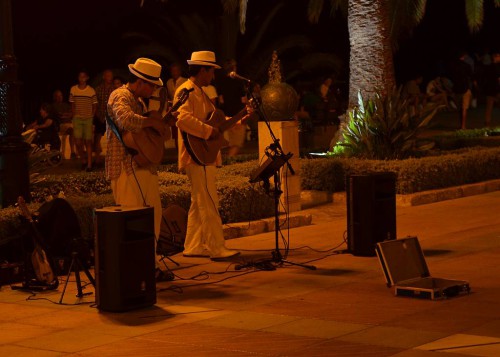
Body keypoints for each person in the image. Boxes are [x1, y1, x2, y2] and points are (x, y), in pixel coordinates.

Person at [175, 51, 252, 260]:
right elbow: (182, 119)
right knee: (208, 201)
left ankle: (192, 245)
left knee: (198, 202)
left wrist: (239, 118)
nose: (213, 76)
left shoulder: (201, 93)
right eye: (211, 71)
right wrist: (208, 132)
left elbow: (216, 122)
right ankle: (217, 247)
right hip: (195, 156)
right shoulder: (186, 91)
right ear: (202, 70)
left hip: (203, 156)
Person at [105, 57, 175, 281]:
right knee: (133, 221)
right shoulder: (120, 95)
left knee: (152, 216)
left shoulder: (140, 102)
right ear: (141, 82)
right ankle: (134, 271)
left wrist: (164, 126)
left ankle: (148, 266)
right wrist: (152, 123)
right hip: (124, 167)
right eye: (152, 85)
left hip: (143, 166)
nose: (154, 89)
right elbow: (126, 120)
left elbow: (148, 132)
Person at [216, 59, 247, 157]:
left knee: (225, 142)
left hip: (225, 116)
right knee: (236, 143)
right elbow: (244, 100)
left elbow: (221, 100)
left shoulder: (221, 82)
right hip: (237, 115)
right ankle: (230, 161)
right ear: (234, 68)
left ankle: (223, 161)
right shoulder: (239, 81)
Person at [69, 70, 97, 171]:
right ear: (78, 78)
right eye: (80, 77)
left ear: (87, 78)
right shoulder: (73, 89)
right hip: (77, 118)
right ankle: (83, 160)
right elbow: (72, 104)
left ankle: (89, 164)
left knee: (88, 142)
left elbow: (94, 105)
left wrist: (91, 116)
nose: (82, 78)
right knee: (78, 142)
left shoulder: (91, 90)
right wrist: (74, 115)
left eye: (84, 76)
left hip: (88, 119)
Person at [94, 69, 114, 167]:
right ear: (104, 77)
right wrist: (98, 115)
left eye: (111, 76)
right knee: (97, 138)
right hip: (100, 116)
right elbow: (95, 104)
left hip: (110, 117)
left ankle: (111, 158)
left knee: (112, 138)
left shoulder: (114, 89)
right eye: (108, 75)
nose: (109, 78)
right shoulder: (98, 89)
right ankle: (97, 158)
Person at [449, 51, 474, 129]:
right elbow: (471, 75)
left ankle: (461, 125)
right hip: (465, 88)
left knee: (460, 108)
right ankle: (463, 125)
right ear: (463, 56)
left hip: (457, 88)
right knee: (464, 108)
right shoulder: (466, 65)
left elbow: (451, 77)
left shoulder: (453, 66)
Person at [166, 63, 187, 149]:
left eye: (176, 71)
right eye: (172, 71)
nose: (174, 73)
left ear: (180, 71)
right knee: (175, 131)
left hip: (182, 109)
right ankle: (178, 149)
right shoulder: (169, 82)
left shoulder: (185, 81)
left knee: (183, 129)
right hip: (173, 109)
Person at [52, 89, 76, 158]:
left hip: (70, 123)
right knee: (72, 131)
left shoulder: (66, 105)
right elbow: (59, 115)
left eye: (61, 95)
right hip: (61, 125)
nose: (60, 97)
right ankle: (72, 152)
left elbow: (71, 113)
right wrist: (66, 115)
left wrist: (66, 115)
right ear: (55, 97)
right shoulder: (54, 106)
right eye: (58, 96)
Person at [483, 50, 500, 127]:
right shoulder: (498, 67)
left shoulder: (488, 67)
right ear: (496, 57)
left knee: (489, 108)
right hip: (497, 90)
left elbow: (485, 79)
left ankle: (487, 124)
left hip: (489, 90)